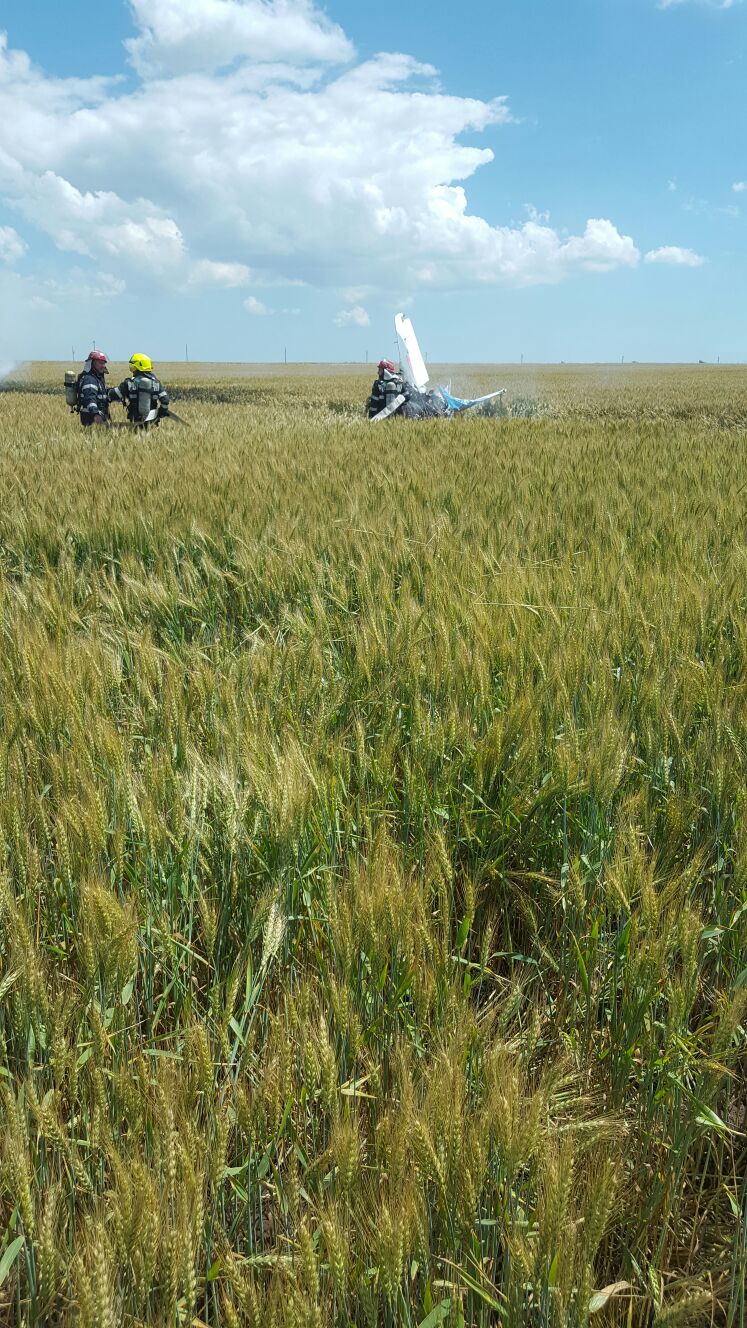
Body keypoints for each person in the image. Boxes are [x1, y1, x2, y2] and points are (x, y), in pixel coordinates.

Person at [111, 353, 170, 426]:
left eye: (133, 367)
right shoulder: (156, 383)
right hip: (152, 423)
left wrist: (105, 393)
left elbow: (114, 394)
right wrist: (161, 411)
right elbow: (165, 399)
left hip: (136, 422)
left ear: (139, 367)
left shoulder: (129, 382)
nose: (132, 370)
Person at [73, 351, 113, 426]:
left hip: (99, 415)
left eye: (104, 363)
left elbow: (101, 393)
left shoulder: (97, 378)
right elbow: (90, 398)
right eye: (100, 363)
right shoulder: (89, 379)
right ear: (92, 364)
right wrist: (95, 414)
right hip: (91, 418)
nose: (103, 366)